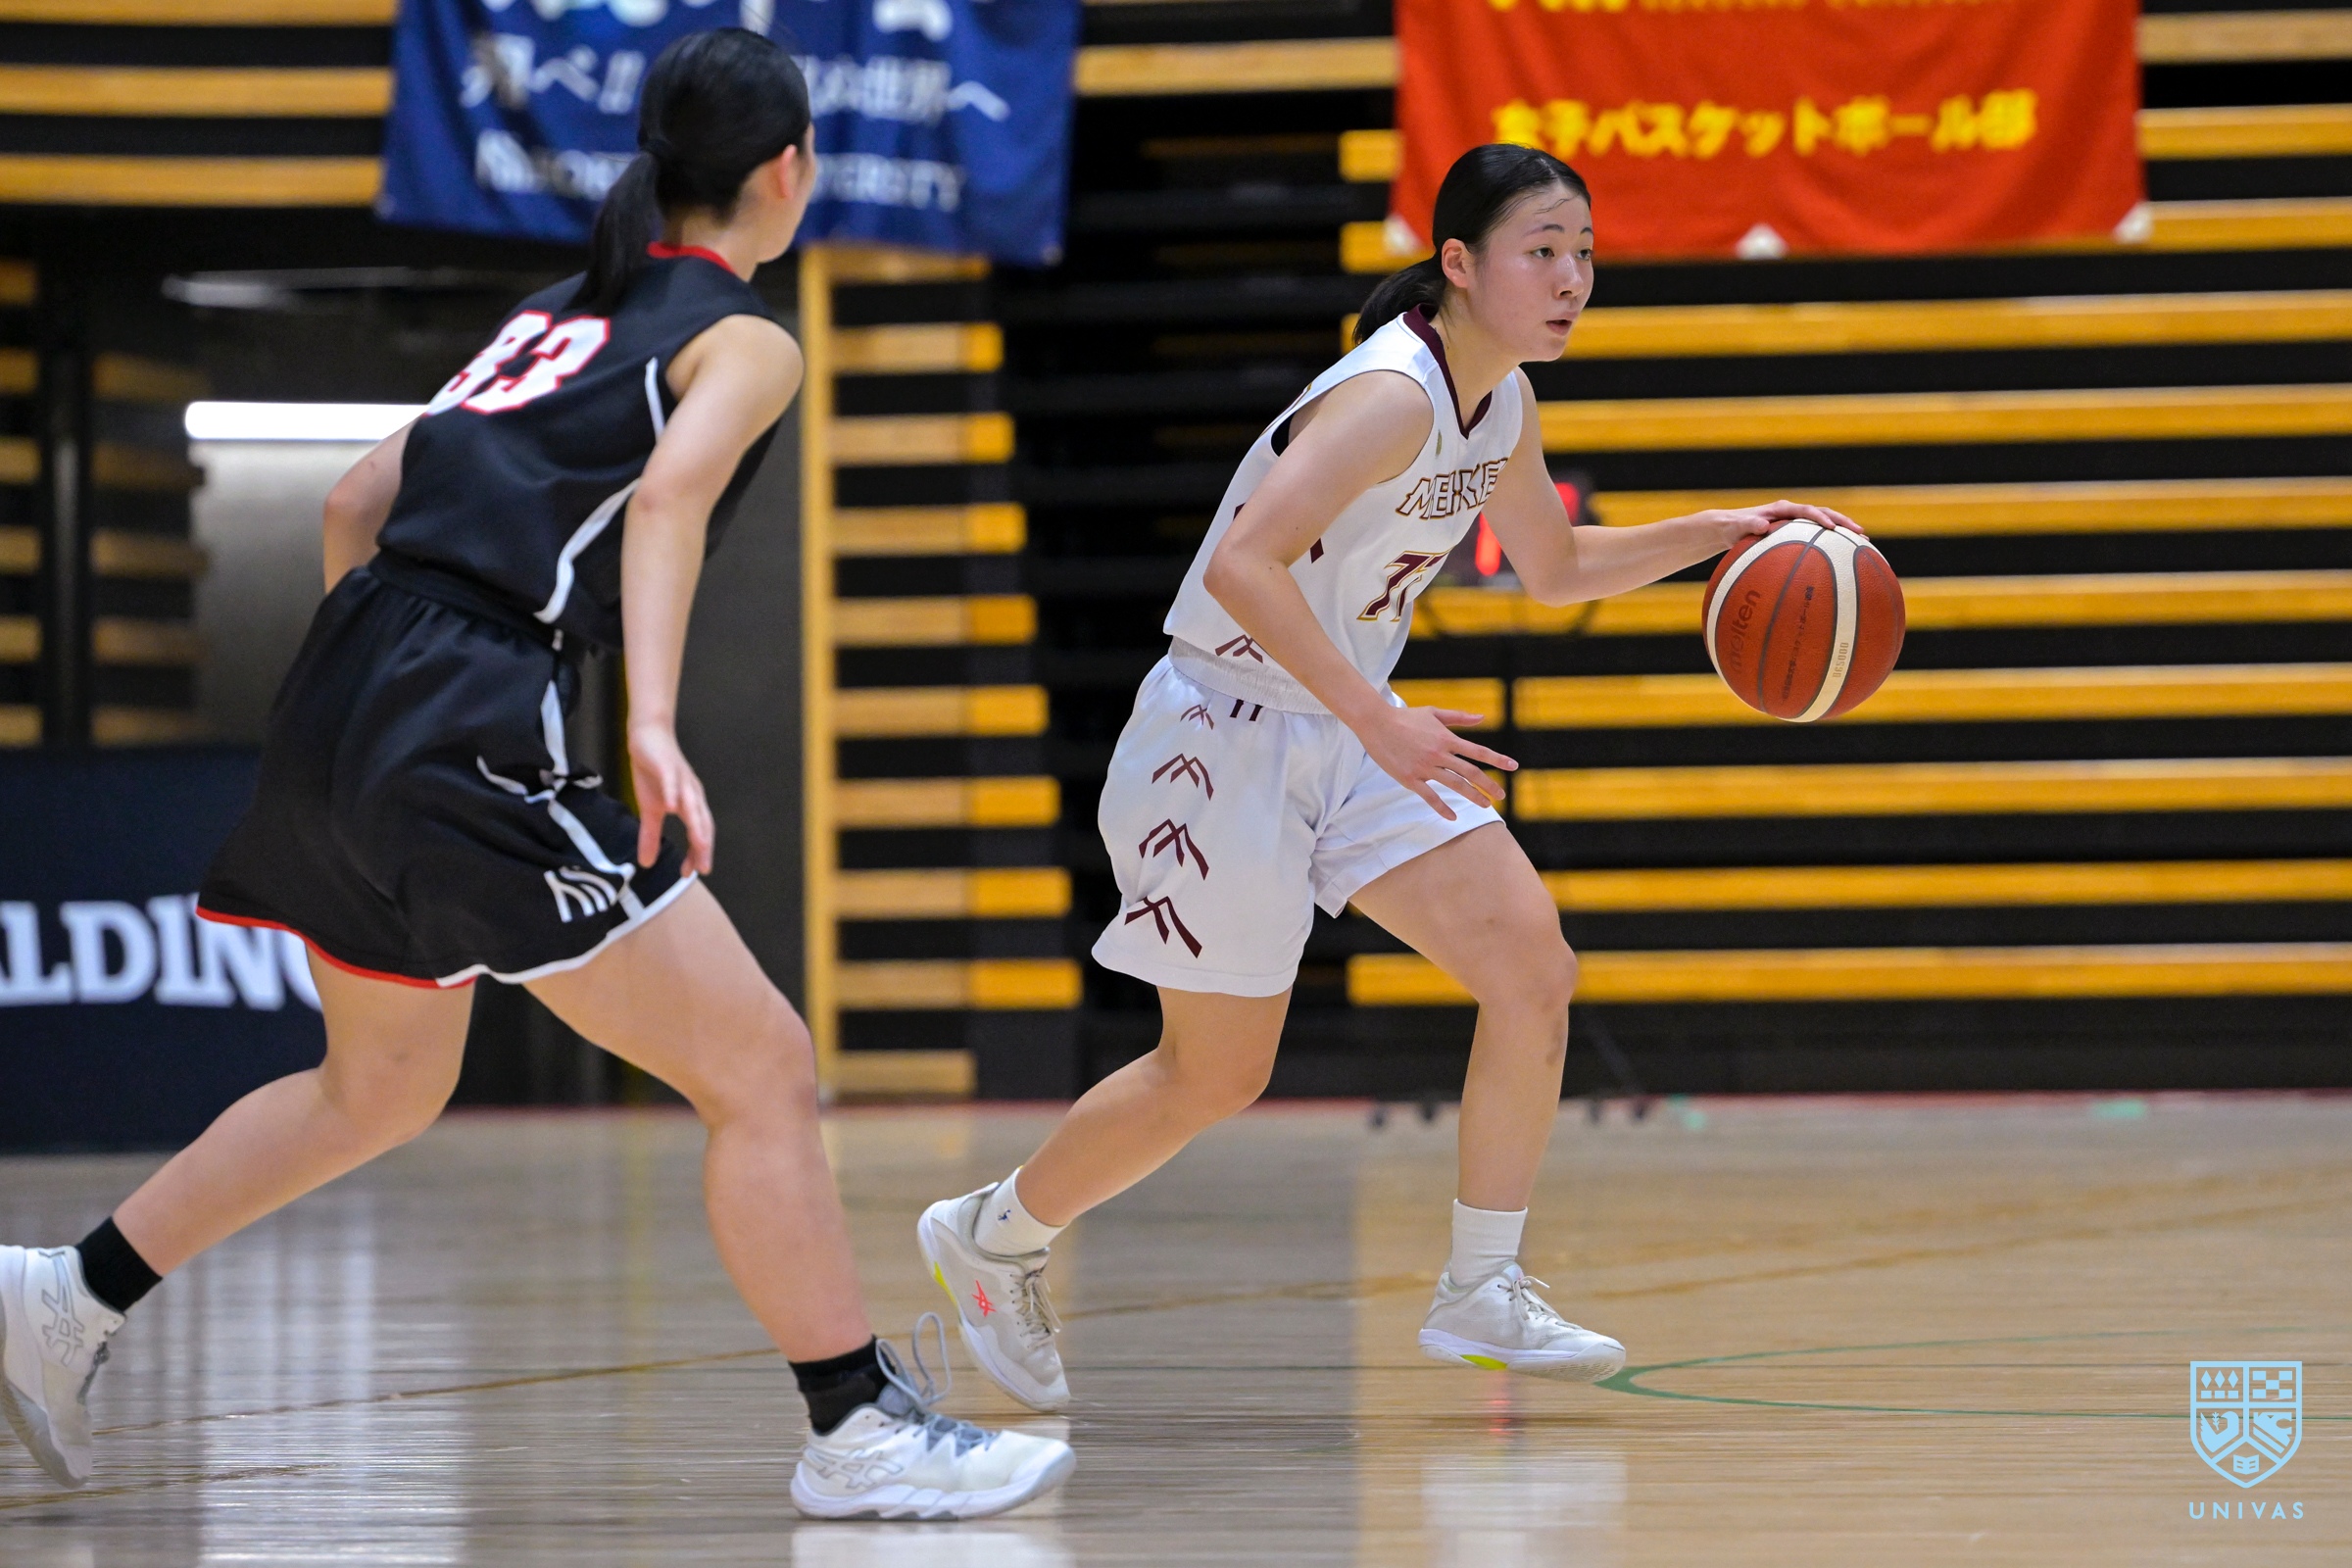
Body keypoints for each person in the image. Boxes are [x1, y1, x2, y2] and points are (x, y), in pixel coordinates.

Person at [0, 28, 1071, 1522]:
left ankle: (66, 1294)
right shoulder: (745, 336)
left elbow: (356, 498)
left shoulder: (555, 312)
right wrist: (649, 722)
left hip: (345, 685)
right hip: (466, 707)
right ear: (790, 170)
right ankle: (858, 1430)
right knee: (762, 1069)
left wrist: (369, 691)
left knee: (376, 1087)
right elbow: (670, 505)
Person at [917, 143, 1862, 1409]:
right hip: (1224, 734)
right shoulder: (1389, 397)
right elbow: (1242, 562)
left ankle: (1482, 1287)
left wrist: (1719, 537)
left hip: (1347, 728)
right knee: (1215, 1075)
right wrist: (1377, 719)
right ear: (1459, 263)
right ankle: (995, 1234)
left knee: (1530, 969)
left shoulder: (1500, 400)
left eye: (1584, 253)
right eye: (1542, 251)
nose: (1572, 279)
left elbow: (1553, 568)